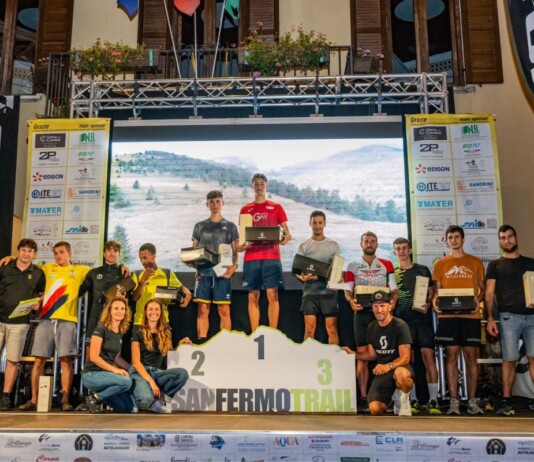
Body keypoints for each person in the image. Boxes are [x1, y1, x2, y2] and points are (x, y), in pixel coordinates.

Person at [18, 241, 91, 412]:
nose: (58, 256)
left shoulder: (80, 270)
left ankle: (65, 400)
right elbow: (26, 263)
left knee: (66, 361)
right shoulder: (47, 268)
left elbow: (101, 272)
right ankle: (34, 399)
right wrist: (8, 257)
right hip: (46, 319)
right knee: (39, 360)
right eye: (56, 253)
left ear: (69, 254)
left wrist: (123, 268)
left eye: (61, 252)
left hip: (67, 320)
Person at [432, 225, 485, 415]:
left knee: (471, 358)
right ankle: (454, 401)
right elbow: (437, 291)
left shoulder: (476, 262)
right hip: (448, 317)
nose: (454, 240)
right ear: (446, 240)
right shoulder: (440, 263)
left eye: (457, 237)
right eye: (450, 237)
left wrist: (477, 301)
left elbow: (483, 288)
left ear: (463, 239)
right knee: (451, 356)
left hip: (470, 316)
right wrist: (435, 301)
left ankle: (472, 401)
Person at [344, 231, 398, 411]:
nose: (369, 244)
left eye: (372, 241)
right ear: (361, 244)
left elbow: (394, 290)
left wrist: (392, 303)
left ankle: (388, 397)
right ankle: (363, 397)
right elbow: (348, 291)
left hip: (381, 315)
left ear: (377, 244)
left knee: (386, 354)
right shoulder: (352, 265)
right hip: (361, 315)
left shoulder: (387, 264)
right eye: (366, 241)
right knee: (362, 355)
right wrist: (350, 301)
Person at [485, 224, 534, 416]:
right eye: (503, 238)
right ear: (499, 241)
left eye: (510, 236)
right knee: (509, 359)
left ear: (516, 238)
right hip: (508, 317)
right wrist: (490, 318)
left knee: (533, 358)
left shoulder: (530, 263)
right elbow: (489, 294)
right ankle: (506, 401)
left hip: (532, 317)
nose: (507, 240)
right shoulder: (495, 265)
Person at [343, 290, 414, 416]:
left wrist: (387, 366)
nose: (379, 310)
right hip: (383, 371)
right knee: (374, 409)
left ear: (390, 307)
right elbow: (372, 355)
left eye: (382, 306)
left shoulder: (400, 325)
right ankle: (393, 398)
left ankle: (404, 399)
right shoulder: (371, 327)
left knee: (401, 375)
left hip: (399, 366)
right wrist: (352, 354)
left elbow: (405, 358)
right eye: (375, 306)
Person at [393, 237, 440, 415]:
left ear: (410, 250)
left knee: (429, 359)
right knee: (408, 361)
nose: (402, 251)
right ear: (394, 252)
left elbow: (431, 293)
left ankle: (433, 400)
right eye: (398, 249)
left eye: (404, 248)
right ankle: (411, 399)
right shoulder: (393, 273)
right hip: (403, 323)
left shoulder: (422, 269)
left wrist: (428, 302)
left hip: (422, 321)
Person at [238, 173, 291, 331]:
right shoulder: (245, 209)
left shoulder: (276, 207)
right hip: (251, 258)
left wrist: (284, 239)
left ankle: (273, 333)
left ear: (266, 186)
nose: (259, 186)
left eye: (262, 184)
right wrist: (241, 246)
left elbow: (287, 234)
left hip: (271, 257)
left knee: (272, 295)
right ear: (252, 187)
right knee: (252, 296)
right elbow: (242, 239)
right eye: (256, 184)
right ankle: (255, 334)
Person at [0, 239, 45, 410]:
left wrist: (39, 303)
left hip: (20, 323)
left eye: (30, 251)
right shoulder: (5, 266)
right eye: (23, 250)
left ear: (35, 254)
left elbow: (42, 294)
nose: (26, 254)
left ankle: (5, 396)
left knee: (13, 360)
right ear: (18, 251)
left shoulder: (39, 273)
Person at [191, 190, 239, 343]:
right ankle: (202, 343)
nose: (215, 204)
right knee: (202, 310)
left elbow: (235, 251)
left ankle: (225, 345)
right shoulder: (199, 226)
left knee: (224, 310)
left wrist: (234, 267)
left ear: (222, 203)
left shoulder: (231, 226)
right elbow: (194, 250)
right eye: (211, 202)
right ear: (207, 204)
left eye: (218, 201)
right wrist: (190, 260)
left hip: (222, 273)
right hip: (203, 273)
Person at [130, 299, 190, 413]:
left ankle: (162, 401)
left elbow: (167, 354)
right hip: (140, 372)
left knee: (182, 374)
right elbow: (136, 362)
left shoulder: (165, 332)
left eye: (156, 309)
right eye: (150, 309)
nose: (154, 312)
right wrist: (151, 382)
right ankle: (135, 395)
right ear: (146, 312)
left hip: (157, 372)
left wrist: (180, 345)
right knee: (145, 400)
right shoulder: (138, 332)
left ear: (161, 312)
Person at [81, 297, 135, 413]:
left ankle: (101, 394)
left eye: (122, 309)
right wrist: (116, 370)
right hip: (92, 374)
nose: (119, 311)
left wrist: (133, 369)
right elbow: (94, 357)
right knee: (126, 382)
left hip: (108, 376)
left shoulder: (120, 332)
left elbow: (117, 358)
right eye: (116, 308)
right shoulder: (101, 328)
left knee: (126, 408)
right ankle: (94, 398)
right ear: (109, 311)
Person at [295, 211, 340, 344]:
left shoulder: (333, 245)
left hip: (329, 293)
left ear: (324, 224)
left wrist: (334, 279)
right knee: (309, 330)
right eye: (314, 222)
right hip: (310, 293)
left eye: (320, 223)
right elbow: (297, 271)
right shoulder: (303, 246)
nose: (317, 226)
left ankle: (334, 357)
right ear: (310, 224)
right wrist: (303, 278)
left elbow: (337, 270)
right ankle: (308, 357)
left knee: (332, 330)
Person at [79, 240, 130, 345]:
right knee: (90, 347)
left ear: (119, 254)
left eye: (115, 251)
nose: (112, 253)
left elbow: (129, 297)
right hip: (95, 316)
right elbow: (79, 291)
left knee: (112, 349)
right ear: (104, 253)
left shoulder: (124, 273)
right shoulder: (94, 272)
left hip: (114, 317)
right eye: (109, 250)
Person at [132, 243, 192, 326]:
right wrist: (142, 281)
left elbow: (181, 288)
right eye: (140, 258)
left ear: (153, 256)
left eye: (145, 258)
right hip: (141, 322)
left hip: (162, 322)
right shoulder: (137, 274)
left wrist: (188, 295)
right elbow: (135, 298)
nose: (142, 262)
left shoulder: (167, 273)